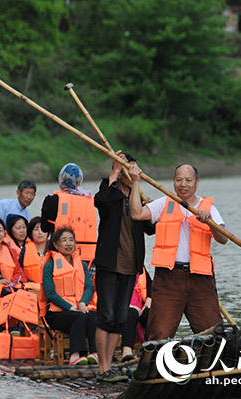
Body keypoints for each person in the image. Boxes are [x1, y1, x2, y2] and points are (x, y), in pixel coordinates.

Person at [129, 163, 228, 340]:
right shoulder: (164, 203)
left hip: (200, 278)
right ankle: (155, 365)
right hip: (168, 278)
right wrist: (135, 182)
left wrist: (210, 222)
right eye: (179, 179)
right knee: (159, 332)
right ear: (173, 182)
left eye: (188, 180)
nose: (183, 184)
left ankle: (218, 365)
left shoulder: (208, 208)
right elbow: (136, 214)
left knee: (213, 331)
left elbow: (223, 239)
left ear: (197, 183)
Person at [92, 152, 155, 383]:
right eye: (126, 168)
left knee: (119, 319)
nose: (131, 172)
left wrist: (149, 205)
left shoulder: (137, 195)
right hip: (109, 264)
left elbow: (149, 227)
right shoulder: (111, 190)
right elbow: (101, 202)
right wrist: (115, 171)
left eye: (133, 167)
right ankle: (102, 368)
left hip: (131, 266)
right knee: (105, 315)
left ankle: (109, 366)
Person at [40, 227, 98, 366]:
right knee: (79, 316)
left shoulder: (82, 265)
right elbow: (50, 293)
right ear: (55, 244)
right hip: (56, 313)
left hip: (78, 308)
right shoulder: (50, 266)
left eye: (71, 240)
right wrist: (70, 307)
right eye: (64, 240)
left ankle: (95, 353)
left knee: (93, 315)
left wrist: (83, 302)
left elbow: (89, 287)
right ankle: (75, 355)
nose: (68, 243)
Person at [41, 163, 97, 264]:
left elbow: (44, 228)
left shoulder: (52, 200)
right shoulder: (90, 200)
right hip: (87, 257)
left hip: (60, 254)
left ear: (61, 178)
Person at [121, 267, 152, 362]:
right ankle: (127, 349)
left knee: (150, 313)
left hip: (141, 304)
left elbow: (150, 285)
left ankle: (150, 347)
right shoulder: (116, 269)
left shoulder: (141, 269)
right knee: (131, 313)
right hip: (121, 306)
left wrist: (149, 299)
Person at [19, 216, 48, 284]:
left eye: (43, 229)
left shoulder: (54, 249)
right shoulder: (25, 250)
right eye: (36, 229)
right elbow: (19, 272)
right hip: (31, 289)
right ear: (31, 233)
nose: (40, 232)